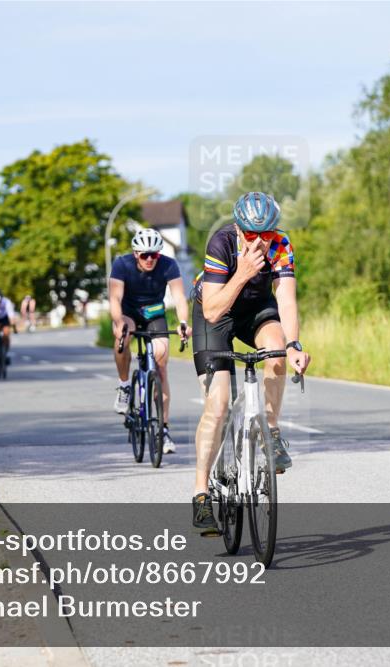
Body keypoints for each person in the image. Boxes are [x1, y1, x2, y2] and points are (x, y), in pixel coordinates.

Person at [190, 192, 311, 535]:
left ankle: (271, 432)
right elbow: (213, 310)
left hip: (255, 312)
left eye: (267, 234)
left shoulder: (281, 244)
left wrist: (294, 345)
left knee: (276, 350)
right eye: (252, 234)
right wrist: (242, 272)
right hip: (215, 314)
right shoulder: (222, 243)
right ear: (240, 230)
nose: (260, 242)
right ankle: (201, 492)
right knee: (219, 404)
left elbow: (286, 299)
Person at [110, 228, 191, 454]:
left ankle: (163, 429)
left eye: (154, 254)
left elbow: (179, 297)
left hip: (155, 314)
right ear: (135, 253)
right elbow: (115, 298)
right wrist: (118, 321)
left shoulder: (169, 265)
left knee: (161, 364)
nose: (149, 259)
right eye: (144, 255)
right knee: (123, 336)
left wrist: (183, 322)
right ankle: (125, 385)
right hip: (129, 313)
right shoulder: (121, 264)